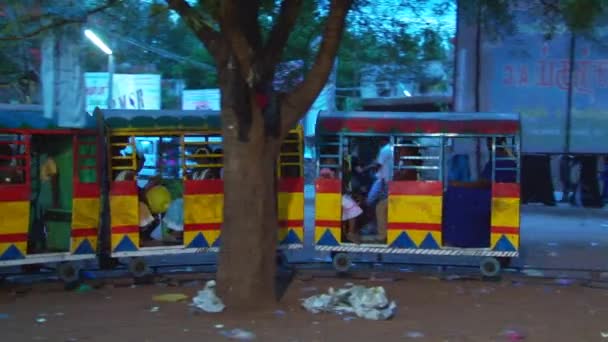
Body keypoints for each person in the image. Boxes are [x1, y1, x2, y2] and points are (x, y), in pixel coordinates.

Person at [319, 158, 363, 243]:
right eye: (330, 161)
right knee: (354, 209)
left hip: (339, 195)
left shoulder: (337, 172)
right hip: (333, 196)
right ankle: (350, 233)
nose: (332, 162)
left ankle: (348, 233)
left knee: (351, 209)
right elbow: (331, 183)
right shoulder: (325, 171)